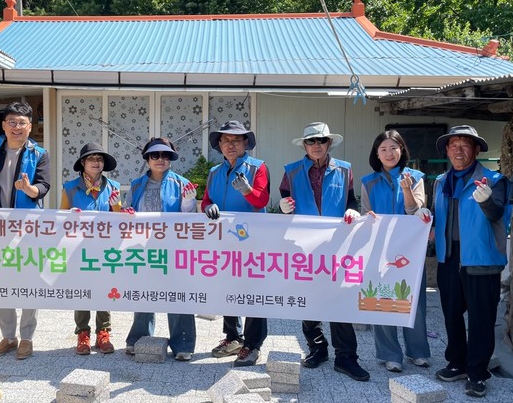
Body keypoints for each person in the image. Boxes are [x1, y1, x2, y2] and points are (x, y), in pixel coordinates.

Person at [278, 121, 370, 381]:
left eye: (322, 140)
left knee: (340, 300)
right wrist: (284, 207)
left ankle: (346, 357)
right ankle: (317, 349)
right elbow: (285, 202)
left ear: (329, 143)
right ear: (304, 145)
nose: (316, 145)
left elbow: (350, 200)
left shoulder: (345, 169)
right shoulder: (291, 171)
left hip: (337, 245)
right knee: (309, 299)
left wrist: (352, 210)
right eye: (311, 141)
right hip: (304, 245)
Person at [431, 125, 506, 398]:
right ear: (447, 150)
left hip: (481, 259)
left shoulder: (494, 180)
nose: (458, 150)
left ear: (476, 150)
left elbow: (497, 212)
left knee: (481, 319)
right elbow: (436, 215)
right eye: (453, 145)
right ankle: (457, 363)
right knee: (451, 314)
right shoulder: (441, 181)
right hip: (448, 257)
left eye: (465, 144)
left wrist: (486, 201)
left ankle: (477, 373)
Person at [0, 102, 51, 360]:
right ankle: (8, 337)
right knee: (3, 280)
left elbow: (43, 187)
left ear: (30, 127)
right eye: (12, 122)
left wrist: (29, 189)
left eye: (22, 123)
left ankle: (27, 337)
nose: (16, 127)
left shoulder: (39, 154)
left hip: (29, 227)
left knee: (29, 280)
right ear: (4, 125)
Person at [360, 130, 432, 372]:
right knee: (381, 300)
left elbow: (415, 211)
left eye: (393, 148)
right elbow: (365, 214)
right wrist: (367, 217)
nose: (389, 153)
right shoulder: (368, 182)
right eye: (383, 149)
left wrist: (406, 189)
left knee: (414, 302)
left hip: (410, 251)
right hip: (379, 251)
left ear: (402, 150)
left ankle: (418, 351)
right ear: (377, 154)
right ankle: (389, 353)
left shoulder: (416, 177)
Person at [201, 120, 270, 367]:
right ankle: (233, 337)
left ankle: (253, 344)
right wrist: (208, 206)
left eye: (236, 140)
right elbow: (206, 200)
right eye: (226, 140)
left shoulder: (258, 167)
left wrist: (248, 190)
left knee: (253, 292)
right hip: (224, 241)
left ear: (245, 143)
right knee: (227, 288)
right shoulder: (214, 172)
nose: (230, 145)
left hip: (252, 242)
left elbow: (262, 201)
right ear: (219, 145)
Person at [124, 138, 198, 361]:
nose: (160, 159)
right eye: (155, 155)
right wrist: (126, 213)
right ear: (147, 159)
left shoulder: (182, 184)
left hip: (174, 247)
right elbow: (127, 211)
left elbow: (189, 219)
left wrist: (189, 202)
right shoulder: (136, 185)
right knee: (144, 293)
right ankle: (139, 338)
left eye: (165, 155)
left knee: (178, 293)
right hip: (143, 247)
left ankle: (183, 344)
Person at [60, 142, 123, 355]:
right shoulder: (70, 187)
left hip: (106, 248)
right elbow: (60, 217)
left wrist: (117, 206)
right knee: (82, 290)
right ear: (82, 163)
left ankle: (103, 332)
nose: (96, 162)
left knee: (105, 288)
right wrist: (70, 216)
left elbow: (120, 219)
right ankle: (82, 333)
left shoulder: (113, 186)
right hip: (79, 249)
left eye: (100, 159)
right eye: (91, 159)